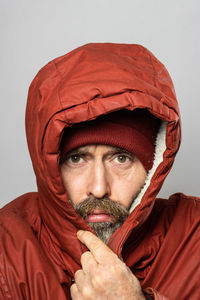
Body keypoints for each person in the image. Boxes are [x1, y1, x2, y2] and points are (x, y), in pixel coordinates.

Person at [0, 43, 199, 300]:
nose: (98, 187)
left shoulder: (194, 239)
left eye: (121, 158)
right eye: (76, 158)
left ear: (154, 168)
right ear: (49, 167)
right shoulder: (7, 251)